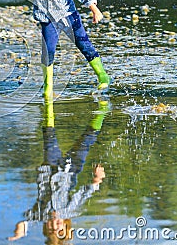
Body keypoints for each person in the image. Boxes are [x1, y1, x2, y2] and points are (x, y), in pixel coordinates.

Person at [1, 0, 110, 97]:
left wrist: (95, 10)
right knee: (48, 51)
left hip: (69, 17)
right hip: (48, 20)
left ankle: (103, 76)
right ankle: (48, 86)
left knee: (84, 44)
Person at [8, 99, 109, 243]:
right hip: (71, 168)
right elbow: (82, 195)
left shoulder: (41, 214)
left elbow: (26, 222)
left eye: (50, 229)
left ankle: (47, 103)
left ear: (45, 227)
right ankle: (103, 109)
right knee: (87, 140)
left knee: (49, 137)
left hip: (49, 168)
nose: (54, 224)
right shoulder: (70, 211)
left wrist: (21, 230)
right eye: (59, 228)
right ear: (67, 225)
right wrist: (96, 181)